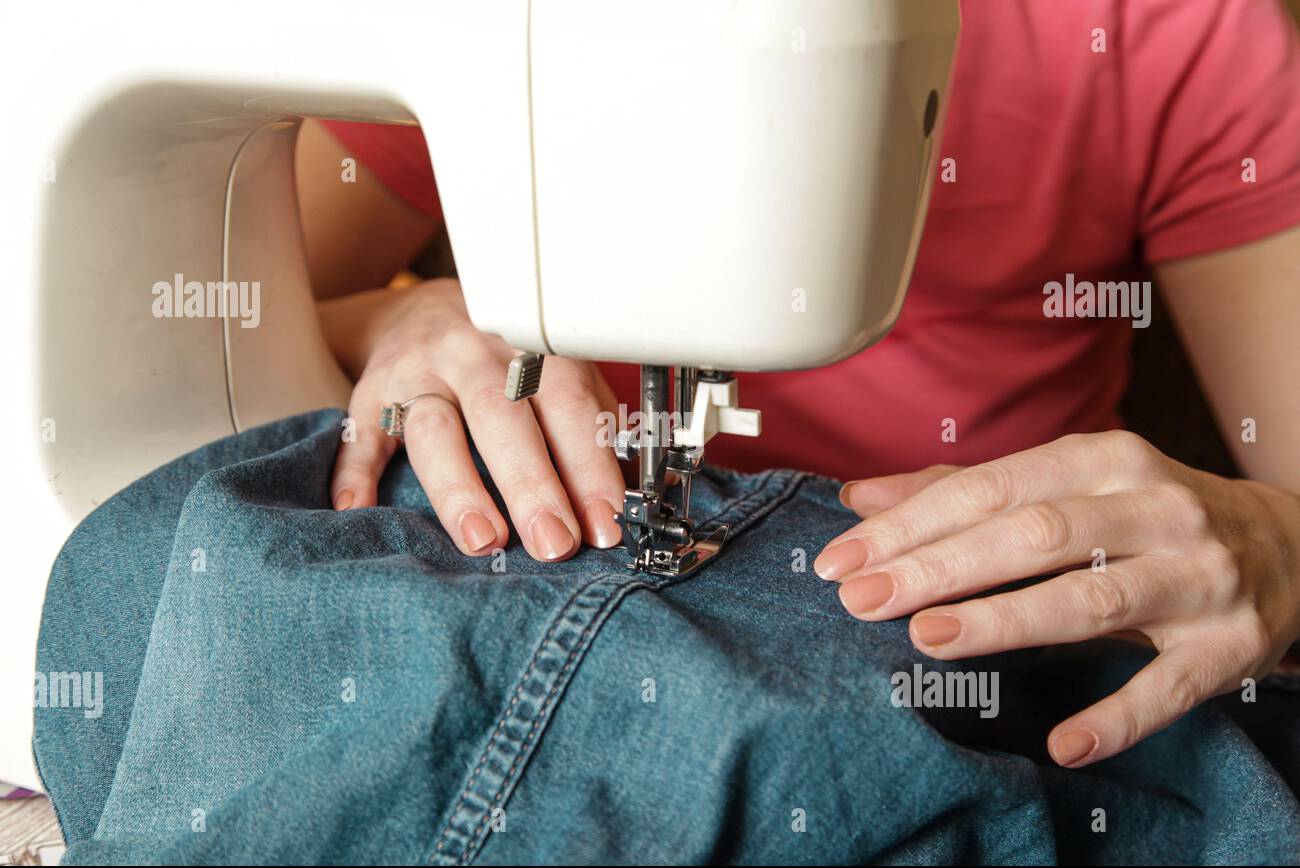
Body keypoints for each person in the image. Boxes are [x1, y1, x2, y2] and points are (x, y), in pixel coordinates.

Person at [294, 0, 1300, 771]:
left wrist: (1277, 537)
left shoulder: (1164, 26)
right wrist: (400, 314)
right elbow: (233, 312)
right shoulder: (505, 22)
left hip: (996, 647)